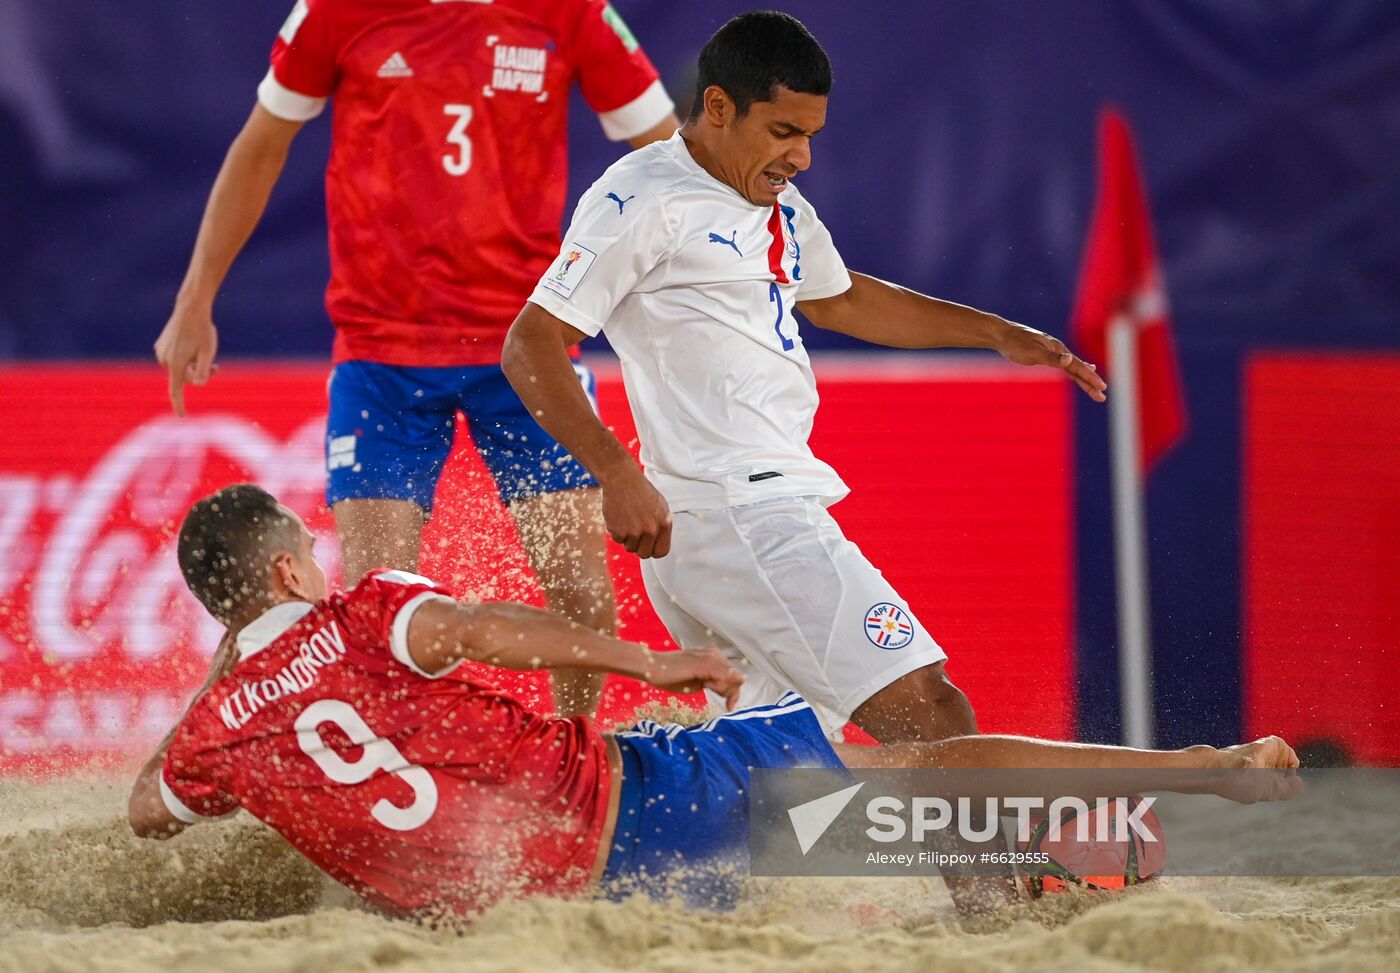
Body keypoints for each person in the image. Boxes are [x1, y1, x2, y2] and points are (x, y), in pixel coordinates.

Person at [128, 484, 1299, 919]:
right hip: (642, 815)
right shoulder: (359, 610)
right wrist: (643, 662)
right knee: (913, 768)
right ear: (291, 571)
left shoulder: (215, 738)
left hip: (550, 900)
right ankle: (1201, 766)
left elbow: (143, 808)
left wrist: (233, 661)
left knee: (846, 822)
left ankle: (1058, 858)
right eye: (306, 558)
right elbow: (485, 628)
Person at [501, 10, 1109, 742]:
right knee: (933, 713)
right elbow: (530, 342)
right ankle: (993, 865)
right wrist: (616, 474)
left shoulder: (773, 197)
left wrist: (999, 334)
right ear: (719, 107)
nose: (803, 157)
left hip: (737, 517)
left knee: (781, 774)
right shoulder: (642, 197)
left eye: (811, 135)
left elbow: (840, 297)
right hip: (738, 515)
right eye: (785, 132)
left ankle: (627, 841)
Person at [153, 0, 680, 716]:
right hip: (383, 354)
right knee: (383, 610)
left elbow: (668, 159)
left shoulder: (570, 11)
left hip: (526, 348)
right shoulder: (336, 11)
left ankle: (575, 758)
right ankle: (400, 776)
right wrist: (194, 297)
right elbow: (261, 144)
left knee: (582, 593)